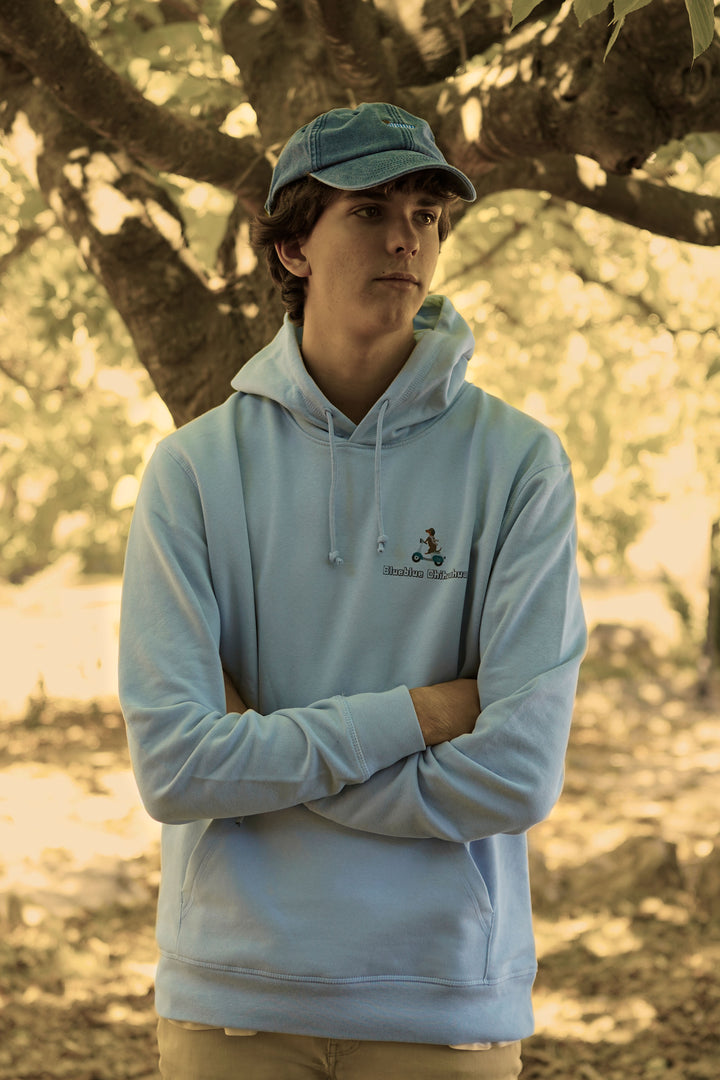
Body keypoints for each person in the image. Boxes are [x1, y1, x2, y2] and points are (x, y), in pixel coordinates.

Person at [118, 101, 587, 1080]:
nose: (406, 238)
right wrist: (424, 712)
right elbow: (175, 768)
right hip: (233, 1002)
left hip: (444, 1001)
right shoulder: (193, 473)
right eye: (370, 210)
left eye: (425, 214)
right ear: (292, 247)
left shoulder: (518, 465)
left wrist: (265, 757)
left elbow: (516, 774)